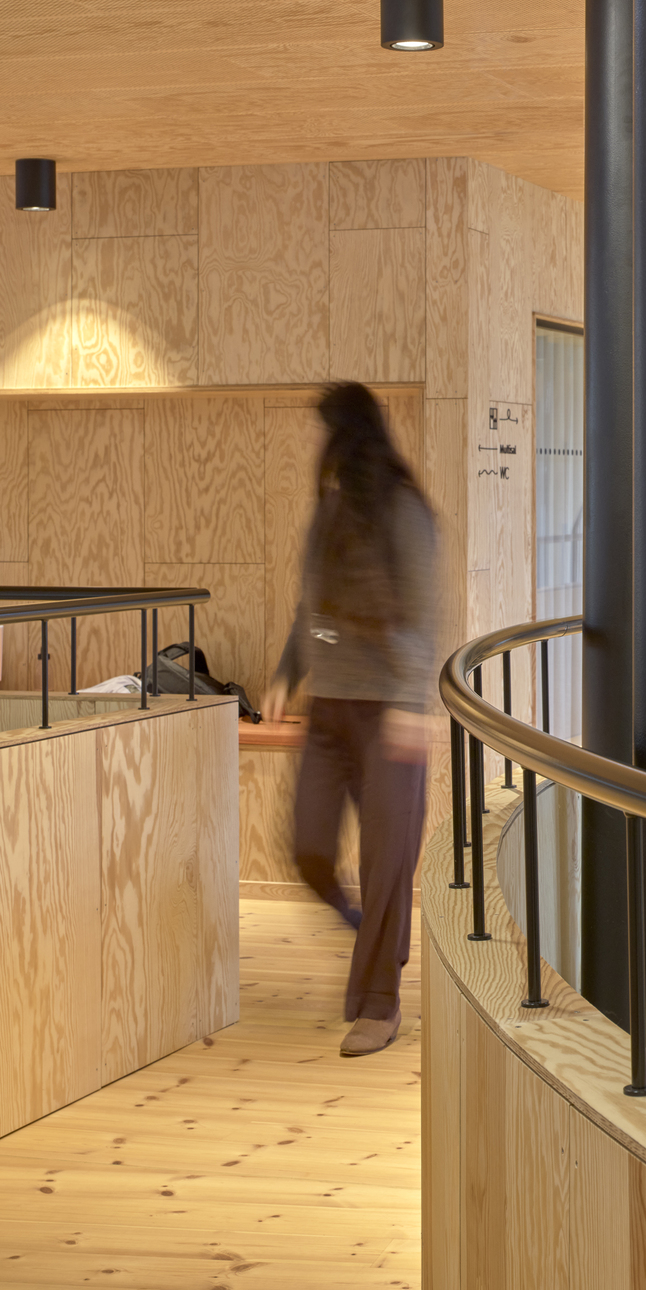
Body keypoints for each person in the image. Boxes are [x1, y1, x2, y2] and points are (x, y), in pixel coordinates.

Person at [263, 383, 438, 1058]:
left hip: (389, 710)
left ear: (346, 432)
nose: (311, 441)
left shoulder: (404, 511)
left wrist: (411, 702)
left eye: (318, 428)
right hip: (330, 708)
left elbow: (423, 614)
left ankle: (378, 1002)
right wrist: (286, 673)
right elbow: (312, 608)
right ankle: (368, 932)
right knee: (309, 846)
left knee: (387, 859)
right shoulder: (328, 513)